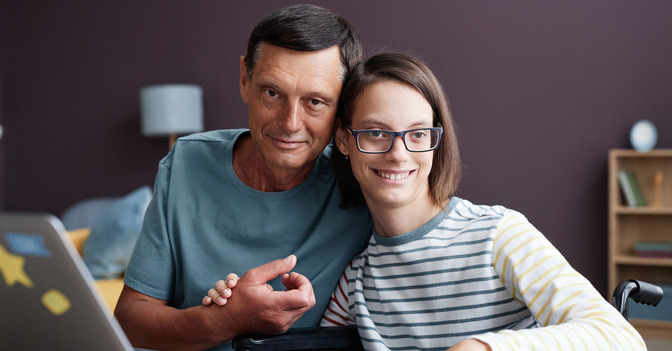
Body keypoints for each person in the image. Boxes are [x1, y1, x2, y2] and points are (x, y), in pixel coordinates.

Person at [206, 52, 646, 350]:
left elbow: (620, 337)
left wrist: (482, 346)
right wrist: (232, 312)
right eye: (376, 132)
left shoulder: (498, 235)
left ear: (436, 141)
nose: (399, 153)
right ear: (344, 140)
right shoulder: (356, 281)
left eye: (418, 133)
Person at [114, 5, 372, 350]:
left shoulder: (364, 178)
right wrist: (225, 320)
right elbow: (131, 321)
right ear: (244, 81)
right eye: (272, 93)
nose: (290, 123)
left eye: (315, 101)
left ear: (342, 106)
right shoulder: (187, 164)